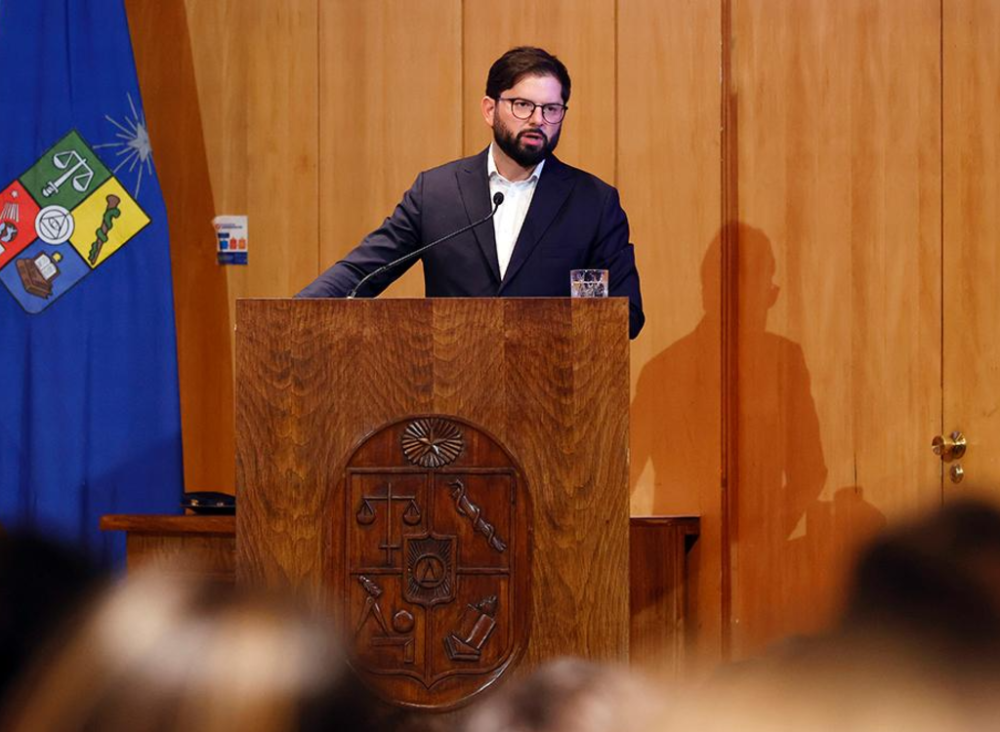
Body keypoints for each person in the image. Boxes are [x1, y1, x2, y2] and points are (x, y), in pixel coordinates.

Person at [298, 47, 644, 339]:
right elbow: (363, 273)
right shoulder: (436, 192)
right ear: (490, 109)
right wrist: (291, 314)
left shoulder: (594, 201)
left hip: (554, 397)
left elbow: (627, 313)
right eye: (523, 105)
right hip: (450, 396)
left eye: (551, 109)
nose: (538, 119)